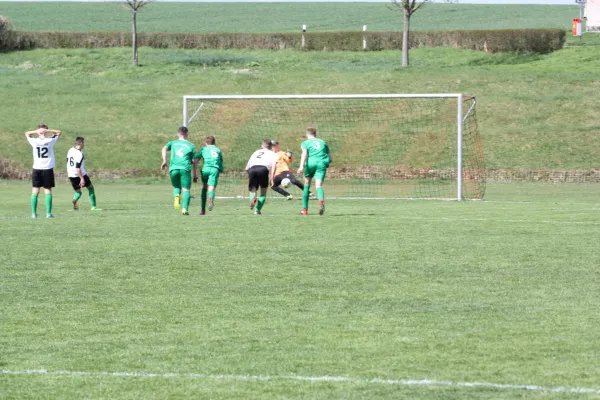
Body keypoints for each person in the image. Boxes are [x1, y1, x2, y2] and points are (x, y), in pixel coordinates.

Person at [25, 123, 61, 218]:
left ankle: (33, 214)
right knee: (47, 191)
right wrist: (48, 131)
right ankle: (48, 214)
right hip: (47, 169)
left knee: (35, 191)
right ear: (45, 132)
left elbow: (27, 133)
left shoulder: (34, 141)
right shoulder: (50, 140)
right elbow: (58, 132)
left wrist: (36, 131)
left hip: (36, 168)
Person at [161, 126, 195, 215]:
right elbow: (194, 161)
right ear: (187, 134)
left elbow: (164, 148)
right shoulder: (191, 146)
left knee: (176, 187)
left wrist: (164, 160)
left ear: (178, 134)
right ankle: (184, 209)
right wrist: (195, 174)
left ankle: (177, 197)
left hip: (173, 168)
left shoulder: (173, 143)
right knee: (186, 189)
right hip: (185, 169)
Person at [298, 127, 332, 216]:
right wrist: (326, 163)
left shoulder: (305, 143)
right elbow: (330, 157)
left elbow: (304, 154)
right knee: (318, 185)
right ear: (315, 134)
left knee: (306, 185)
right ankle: (321, 199)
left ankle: (304, 210)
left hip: (311, 163)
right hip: (322, 163)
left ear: (307, 134)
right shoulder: (323, 142)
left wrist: (301, 166)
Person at [66, 137, 101, 212]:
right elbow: (78, 168)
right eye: (83, 143)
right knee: (91, 188)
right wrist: (82, 178)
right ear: (81, 143)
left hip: (71, 174)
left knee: (78, 192)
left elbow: (67, 161)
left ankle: (75, 202)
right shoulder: (80, 154)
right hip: (80, 174)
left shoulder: (70, 150)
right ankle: (93, 207)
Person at [245, 139, 278, 215]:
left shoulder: (256, 152)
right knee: (263, 192)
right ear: (271, 146)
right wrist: (272, 178)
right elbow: (273, 166)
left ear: (262, 146)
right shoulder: (272, 153)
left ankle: (253, 198)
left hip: (252, 169)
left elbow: (247, 168)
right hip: (263, 169)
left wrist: (250, 174)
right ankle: (257, 210)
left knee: (252, 190)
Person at [193, 135, 223, 215]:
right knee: (211, 188)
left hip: (205, 169)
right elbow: (220, 161)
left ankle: (202, 210)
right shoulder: (217, 150)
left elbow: (195, 161)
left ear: (206, 143)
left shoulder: (203, 149)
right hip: (214, 169)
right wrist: (220, 170)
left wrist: (194, 174)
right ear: (214, 142)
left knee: (204, 187)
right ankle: (210, 198)